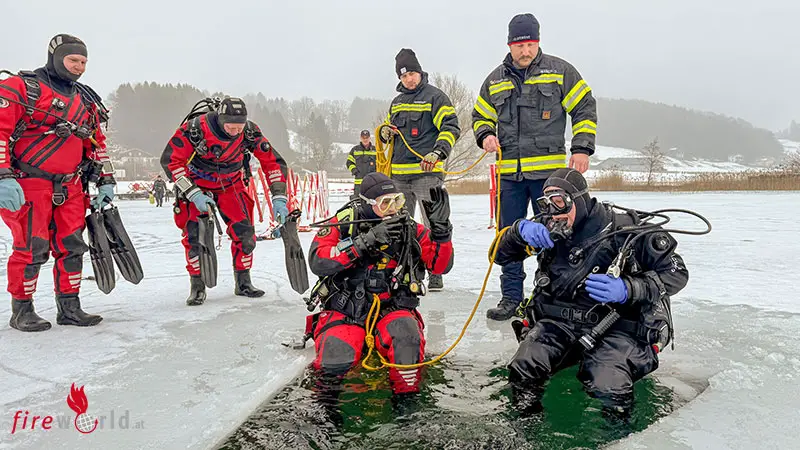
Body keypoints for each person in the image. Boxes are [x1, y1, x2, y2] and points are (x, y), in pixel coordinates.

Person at [492, 168, 688, 420]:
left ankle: (617, 432)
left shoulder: (626, 230)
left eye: (560, 202)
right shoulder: (547, 227)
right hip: (558, 323)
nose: (554, 212)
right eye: (547, 203)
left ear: (580, 199)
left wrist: (630, 288)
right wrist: (517, 232)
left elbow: (677, 273)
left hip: (617, 325)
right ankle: (526, 429)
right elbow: (501, 256)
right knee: (525, 365)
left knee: (607, 381)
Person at [472, 13, 599, 321]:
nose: (525, 51)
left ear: (537, 42)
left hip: (548, 178)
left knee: (553, 236)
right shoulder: (495, 80)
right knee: (508, 237)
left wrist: (582, 148)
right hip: (509, 177)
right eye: (519, 45)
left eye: (529, 44)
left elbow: (584, 107)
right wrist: (486, 135)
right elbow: (480, 116)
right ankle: (511, 298)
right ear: (509, 45)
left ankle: (551, 297)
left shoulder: (560, 72)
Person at [0, 34, 116, 331]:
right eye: (73, 60)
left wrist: (106, 177)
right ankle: (21, 310)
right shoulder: (21, 88)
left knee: (72, 246)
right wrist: (3, 175)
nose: (80, 67)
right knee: (31, 247)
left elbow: (96, 142)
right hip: (28, 184)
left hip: (71, 186)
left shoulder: (86, 99)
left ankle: (69, 307)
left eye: (84, 62)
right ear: (56, 57)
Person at [306, 172, 454, 396]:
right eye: (385, 204)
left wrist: (442, 234)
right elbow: (318, 260)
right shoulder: (344, 224)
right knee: (336, 356)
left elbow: (440, 267)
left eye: (397, 201)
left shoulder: (409, 229)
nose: (393, 209)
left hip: (391, 307)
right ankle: (329, 418)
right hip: (347, 309)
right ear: (365, 204)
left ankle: (407, 407)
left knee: (407, 343)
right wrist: (364, 242)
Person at [160, 97, 291, 305]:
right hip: (198, 184)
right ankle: (197, 285)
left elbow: (272, 162)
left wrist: (279, 197)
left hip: (231, 185)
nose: (235, 132)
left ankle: (243, 281)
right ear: (220, 120)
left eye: (239, 128)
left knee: (246, 234)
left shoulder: (249, 132)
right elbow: (171, 161)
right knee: (195, 237)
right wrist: (192, 193)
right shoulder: (194, 129)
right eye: (230, 127)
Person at [379, 48, 460, 291]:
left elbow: (451, 127)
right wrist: (384, 133)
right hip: (400, 177)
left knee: (434, 224)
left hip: (427, 174)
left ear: (419, 72)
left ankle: (436, 272)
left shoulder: (436, 97)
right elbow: (388, 132)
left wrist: (437, 152)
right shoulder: (397, 103)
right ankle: (409, 269)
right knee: (401, 226)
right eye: (404, 76)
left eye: (412, 73)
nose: (409, 79)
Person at [346, 130, 377, 198]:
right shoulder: (355, 150)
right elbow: (349, 162)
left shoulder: (376, 150)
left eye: (367, 138)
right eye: (363, 138)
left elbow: (381, 163)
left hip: (372, 182)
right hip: (359, 183)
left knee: (372, 202)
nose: (365, 139)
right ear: (360, 138)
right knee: (358, 201)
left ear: (369, 138)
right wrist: (354, 170)